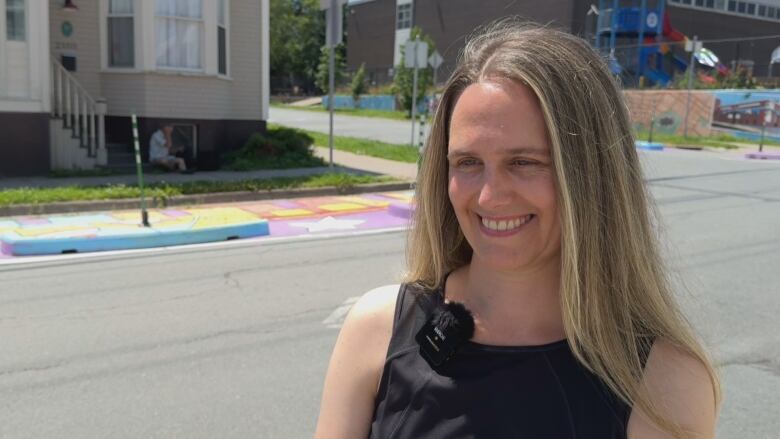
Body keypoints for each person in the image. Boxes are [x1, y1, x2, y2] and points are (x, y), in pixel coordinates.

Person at [314, 19, 720, 439]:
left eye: (524, 162)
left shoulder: (665, 383)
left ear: (593, 176)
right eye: (468, 163)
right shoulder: (378, 330)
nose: (489, 197)